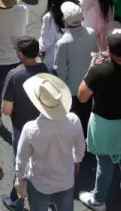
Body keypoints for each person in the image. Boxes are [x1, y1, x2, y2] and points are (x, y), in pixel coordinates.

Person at [77, 28, 121, 210]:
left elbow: (82, 96)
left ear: (109, 49)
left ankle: (98, 200)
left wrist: (92, 66)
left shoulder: (99, 71)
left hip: (104, 124)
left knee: (105, 162)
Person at [13, 73, 86, 211]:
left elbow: (21, 159)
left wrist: (20, 177)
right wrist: (77, 160)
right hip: (66, 180)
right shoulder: (73, 120)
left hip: (40, 183)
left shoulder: (30, 129)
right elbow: (80, 147)